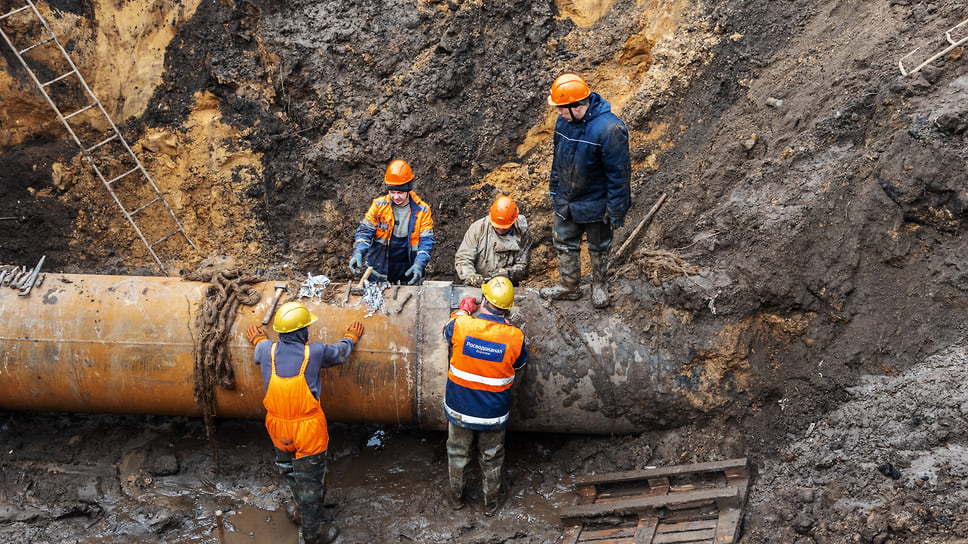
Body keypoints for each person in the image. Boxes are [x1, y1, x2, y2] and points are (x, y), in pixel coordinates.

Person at [246, 301, 365, 544]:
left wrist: (258, 339)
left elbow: (259, 347)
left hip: (278, 430)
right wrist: (350, 338)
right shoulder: (315, 352)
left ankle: (300, 510)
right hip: (307, 430)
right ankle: (313, 536)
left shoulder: (265, 349)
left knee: (290, 472)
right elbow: (340, 354)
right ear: (302, 332)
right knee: (311, 484)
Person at [539, 72, 631, 309]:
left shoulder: (609, 129)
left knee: (599, 245)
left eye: (561, 108)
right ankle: (569, 287)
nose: (557, 112)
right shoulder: (564, 122)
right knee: (564, 241)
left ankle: (599, 284)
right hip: (567, 199)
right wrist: (554, 187)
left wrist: (616, 209)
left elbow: (619, 174)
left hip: (596, 203)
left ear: (577, 106)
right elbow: (557, 158)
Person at [441, 276, 528, 516]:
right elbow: (520, 364)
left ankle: (456, 500)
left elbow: (447, 332)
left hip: (459, 408)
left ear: (484, 301)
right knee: (491, 459)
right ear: (507, 309)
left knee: (457, 454)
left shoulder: (461, 325)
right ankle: (490, 505)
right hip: (492, 415)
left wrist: (463, 310)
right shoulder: (515, 337)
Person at [349, 159, 435, 285]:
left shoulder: (422, 210)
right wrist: (358, 253)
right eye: (392, 192)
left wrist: (419, 264)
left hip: (408, 269)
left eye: (399, 193)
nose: (395, 197)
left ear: (408, 189)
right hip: (379, 268)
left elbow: (426, 241)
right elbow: (365, 231)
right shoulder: (379, 205)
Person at [454, 195, 532, 287]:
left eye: (504, 228)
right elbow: (463, 258)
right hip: (477, 287)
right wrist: (471, 276)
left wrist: (508, 273)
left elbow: (523, 267)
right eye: (497, 227)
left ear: (513, 221)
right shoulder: (478, 228)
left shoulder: (522, 234)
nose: (500, 229)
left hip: (506, 287)